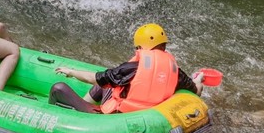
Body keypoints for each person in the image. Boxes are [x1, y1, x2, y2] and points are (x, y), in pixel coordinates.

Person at [49, 23, 200, 112]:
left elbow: (93, 78)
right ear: (164, 45)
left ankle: (80, 114)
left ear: (140, 47)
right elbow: (196, 90)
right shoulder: (175, 72)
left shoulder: (130, 69)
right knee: (108, 84)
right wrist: (199, 80)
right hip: (150, 117)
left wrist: (71, 72)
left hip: (118, 119)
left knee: (59, 88)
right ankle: (86, 103)